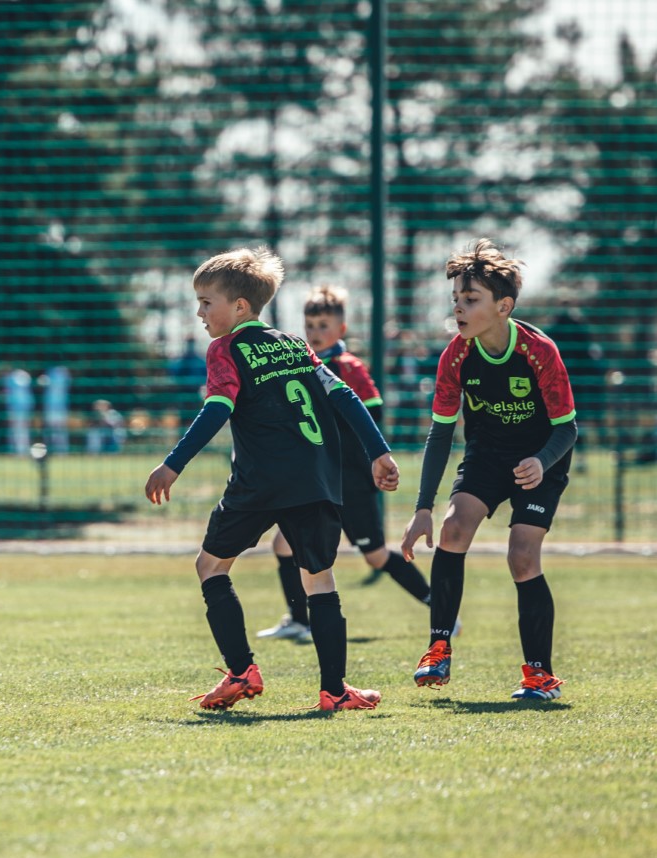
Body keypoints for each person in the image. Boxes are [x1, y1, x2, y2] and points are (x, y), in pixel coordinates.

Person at [144, 247, 399, 712]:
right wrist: (379, 451)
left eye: (206, 303)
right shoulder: (295, 345)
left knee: (211, 567)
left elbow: (216, 409)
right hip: (315, 480)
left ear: (240, 306)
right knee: (319, 579)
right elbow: (344, 396)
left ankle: (242, 671)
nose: (200, 313)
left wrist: (173, 463)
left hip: (259, 482)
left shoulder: (226, 348)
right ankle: (334, 691)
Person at [401, 239, 577, 700]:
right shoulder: (455, 356)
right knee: (454, 528)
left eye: (471, 299)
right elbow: (440, 434)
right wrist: (423, 508)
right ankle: (438, 649)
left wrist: (541, 461)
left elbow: (567, 428)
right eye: (456, 299)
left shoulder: (539, 351)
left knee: (522, 556)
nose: (459, 308)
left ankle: (540, 675)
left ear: (504, 307)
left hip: (541, 459)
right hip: (487, 455)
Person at [256, 284, 437, 642]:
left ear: (341, 329)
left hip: (350, 480)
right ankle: (300, 620)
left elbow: (372, 414)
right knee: (283, 544)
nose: (315, 332)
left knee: (374, 555)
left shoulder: (349, 367)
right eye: (310, 325)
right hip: (317, 479)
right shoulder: (301, 366)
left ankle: (439, 607)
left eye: (323, 325)